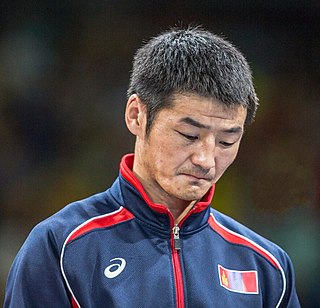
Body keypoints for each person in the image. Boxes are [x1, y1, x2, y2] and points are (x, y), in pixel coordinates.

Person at [4, 26, 300, 307]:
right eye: (189, 135)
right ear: (136, 116)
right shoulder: (61, 247)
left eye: (226, 142)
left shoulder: (267, 266)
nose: (206, 160)